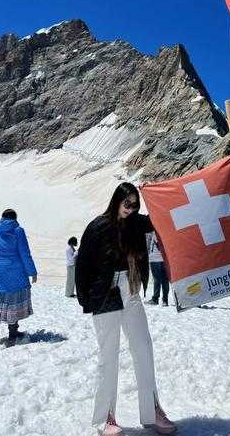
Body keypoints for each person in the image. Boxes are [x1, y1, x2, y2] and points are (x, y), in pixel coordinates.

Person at [76, 182, 176, 436]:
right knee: (109, 356)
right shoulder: (98, 226)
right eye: (127, 204)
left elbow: (161, 217)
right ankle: (105, 418)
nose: (130, 209)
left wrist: (159, 191)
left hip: (130, 288)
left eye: (135, 205)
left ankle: (152, 410)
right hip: (105, 293)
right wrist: (86, 298)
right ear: (117, 201)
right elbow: (83, 264)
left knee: (144, 348)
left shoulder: (137, 224)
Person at [0, 209, 37, 347]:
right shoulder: (18, 230)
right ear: (15, 218)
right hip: (14, 272)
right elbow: (24, 253)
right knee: (12, 302)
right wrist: (32, 272)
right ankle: (12, 335)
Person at [145, 232, 169, 307]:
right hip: (165, 258)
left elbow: (151, 243)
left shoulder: (154, 231)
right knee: (165, 280)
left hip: (155, 258)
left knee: (157, 279)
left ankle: (155, 299)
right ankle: (165, 300)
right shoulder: (164, 230)